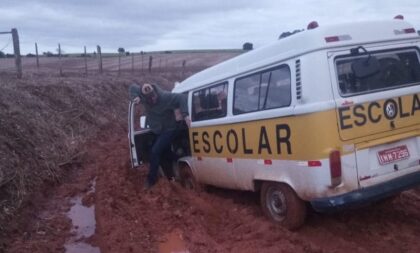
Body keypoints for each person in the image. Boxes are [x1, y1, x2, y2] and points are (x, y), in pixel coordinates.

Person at [129, 83, 190, 190]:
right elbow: (132, 87)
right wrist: (135, 97)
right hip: (158, 131)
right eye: (149, 99)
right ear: (144, 97)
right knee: (164, 153)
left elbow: (181, 97)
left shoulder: (165, 96)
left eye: (153, 96)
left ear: (155, 93)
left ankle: (151, 180)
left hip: (170, 129)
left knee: (155, 151)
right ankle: (178, 158)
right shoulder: (142, 95)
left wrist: (185, 115)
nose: (153, 99)